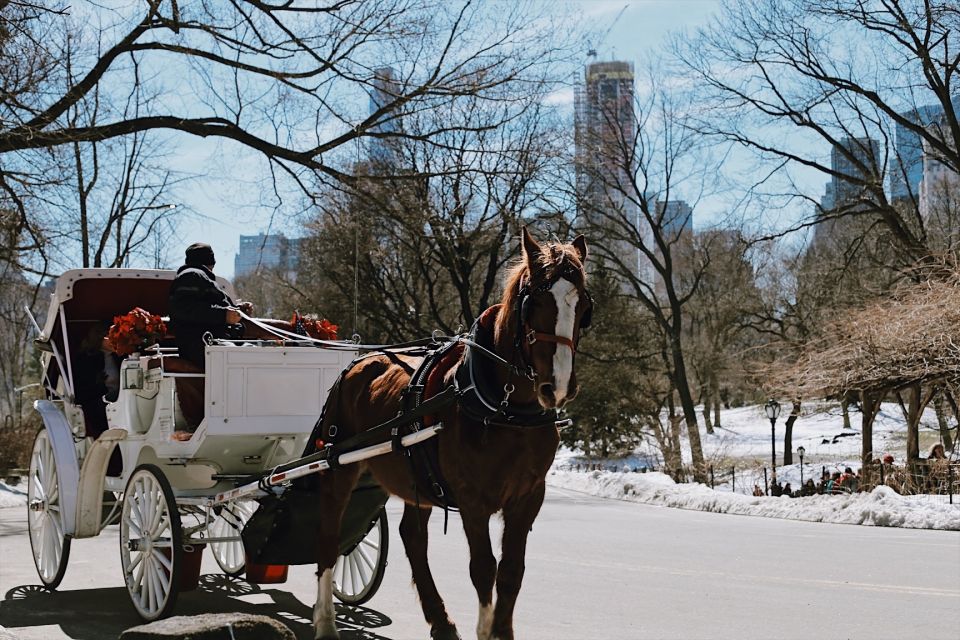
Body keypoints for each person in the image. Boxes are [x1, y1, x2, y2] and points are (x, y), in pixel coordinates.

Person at [168, 242, 253, 369]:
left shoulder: (197, 277)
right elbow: (185, 308)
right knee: (248, 356)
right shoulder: (192, 275)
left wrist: (237, 310)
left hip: (212, 344)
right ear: (211, 262)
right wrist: (224, 315)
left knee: (252, 352)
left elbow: (206, 305)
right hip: (202, 345)